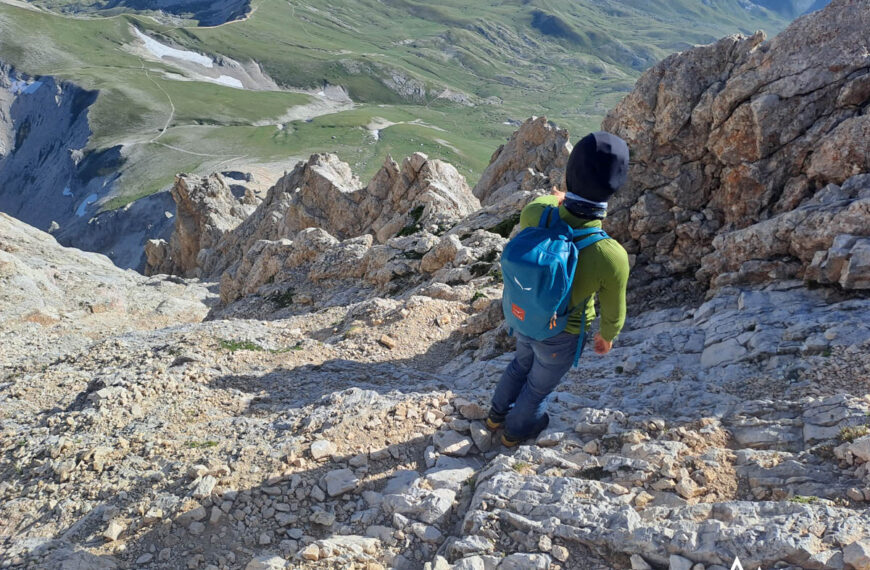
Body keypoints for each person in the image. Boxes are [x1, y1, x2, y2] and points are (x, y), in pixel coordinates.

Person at [486, 131, 631, 447]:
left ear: (568, 175)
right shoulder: (611, 255)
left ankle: (495, 415)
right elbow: (614, 310)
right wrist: (607, 336)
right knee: (538, 387)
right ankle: (516, 431)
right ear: (617, 186)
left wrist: (561, 198)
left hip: (524, 315)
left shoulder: (536, 212)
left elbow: (548, 202)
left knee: (519, 365)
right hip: (564, 332)